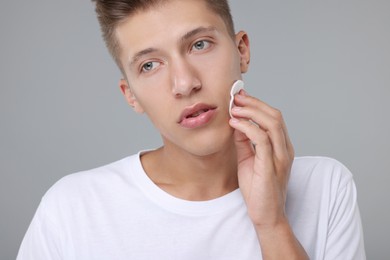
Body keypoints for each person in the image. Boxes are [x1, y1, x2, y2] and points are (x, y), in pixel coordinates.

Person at [17, 0, 366, 259]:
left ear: (241, 51)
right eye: (150, 65)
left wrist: (272, 224)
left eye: (199, 44)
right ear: (131, 96)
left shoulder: (326, 187)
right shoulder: (72, 209)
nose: (184, 84)